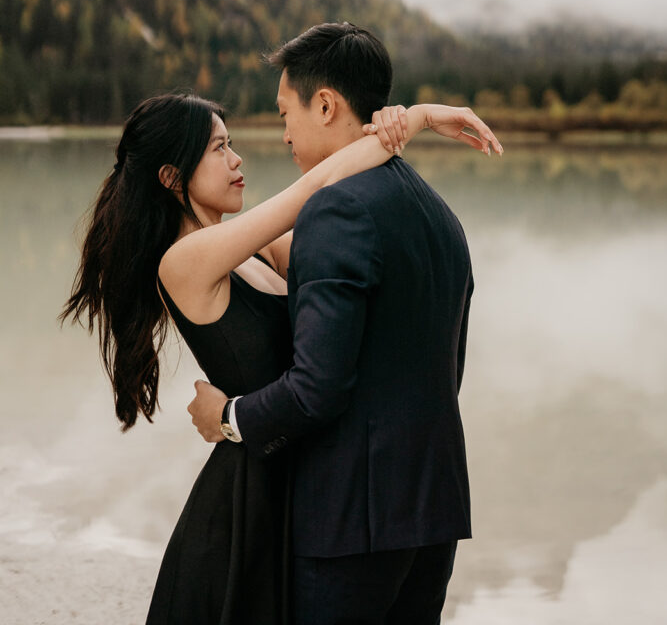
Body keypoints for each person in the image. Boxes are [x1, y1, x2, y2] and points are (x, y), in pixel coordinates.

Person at [60, 73, 500, 625]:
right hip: (253, 494)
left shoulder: (258, 246)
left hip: (305, 467)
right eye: (219, 148)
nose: (237, 159)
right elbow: (312, 192)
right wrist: (421, 117)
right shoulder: (183, 263)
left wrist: (382, 125)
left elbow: (357, 243)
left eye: (230, 143)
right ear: (171, 176)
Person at [188, 22, 503, 625]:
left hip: (352, 519)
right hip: (432, 508)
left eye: (286, 112)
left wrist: (227, 418)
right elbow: (447, 367)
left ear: (326, 105)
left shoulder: (337, 210)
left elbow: (317, 387)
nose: (282, 134)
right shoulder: (439, 214)